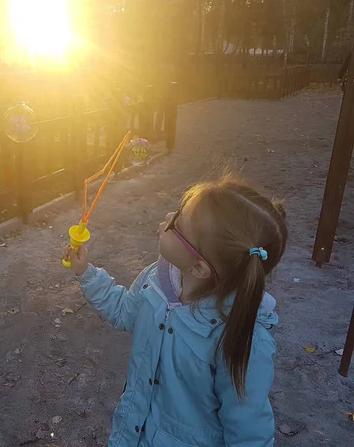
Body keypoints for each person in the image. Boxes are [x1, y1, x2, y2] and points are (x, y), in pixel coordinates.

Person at [63, 176, 287, 447]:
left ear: (200, 268)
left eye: (177, 224)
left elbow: (249, 435)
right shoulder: (156, 281)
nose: (168, 216)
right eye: (178, 209)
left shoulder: (242, 340)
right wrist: (86, 273)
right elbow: (124, 311)